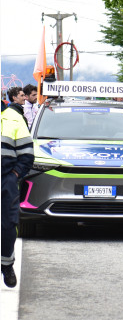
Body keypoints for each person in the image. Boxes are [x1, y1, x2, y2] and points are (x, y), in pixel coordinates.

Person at [2, 100, 34, 287]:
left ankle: (6, 263)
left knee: (8, 225)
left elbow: (27, 154)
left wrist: (15, 175)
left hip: (6, 179)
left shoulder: (14, 118)